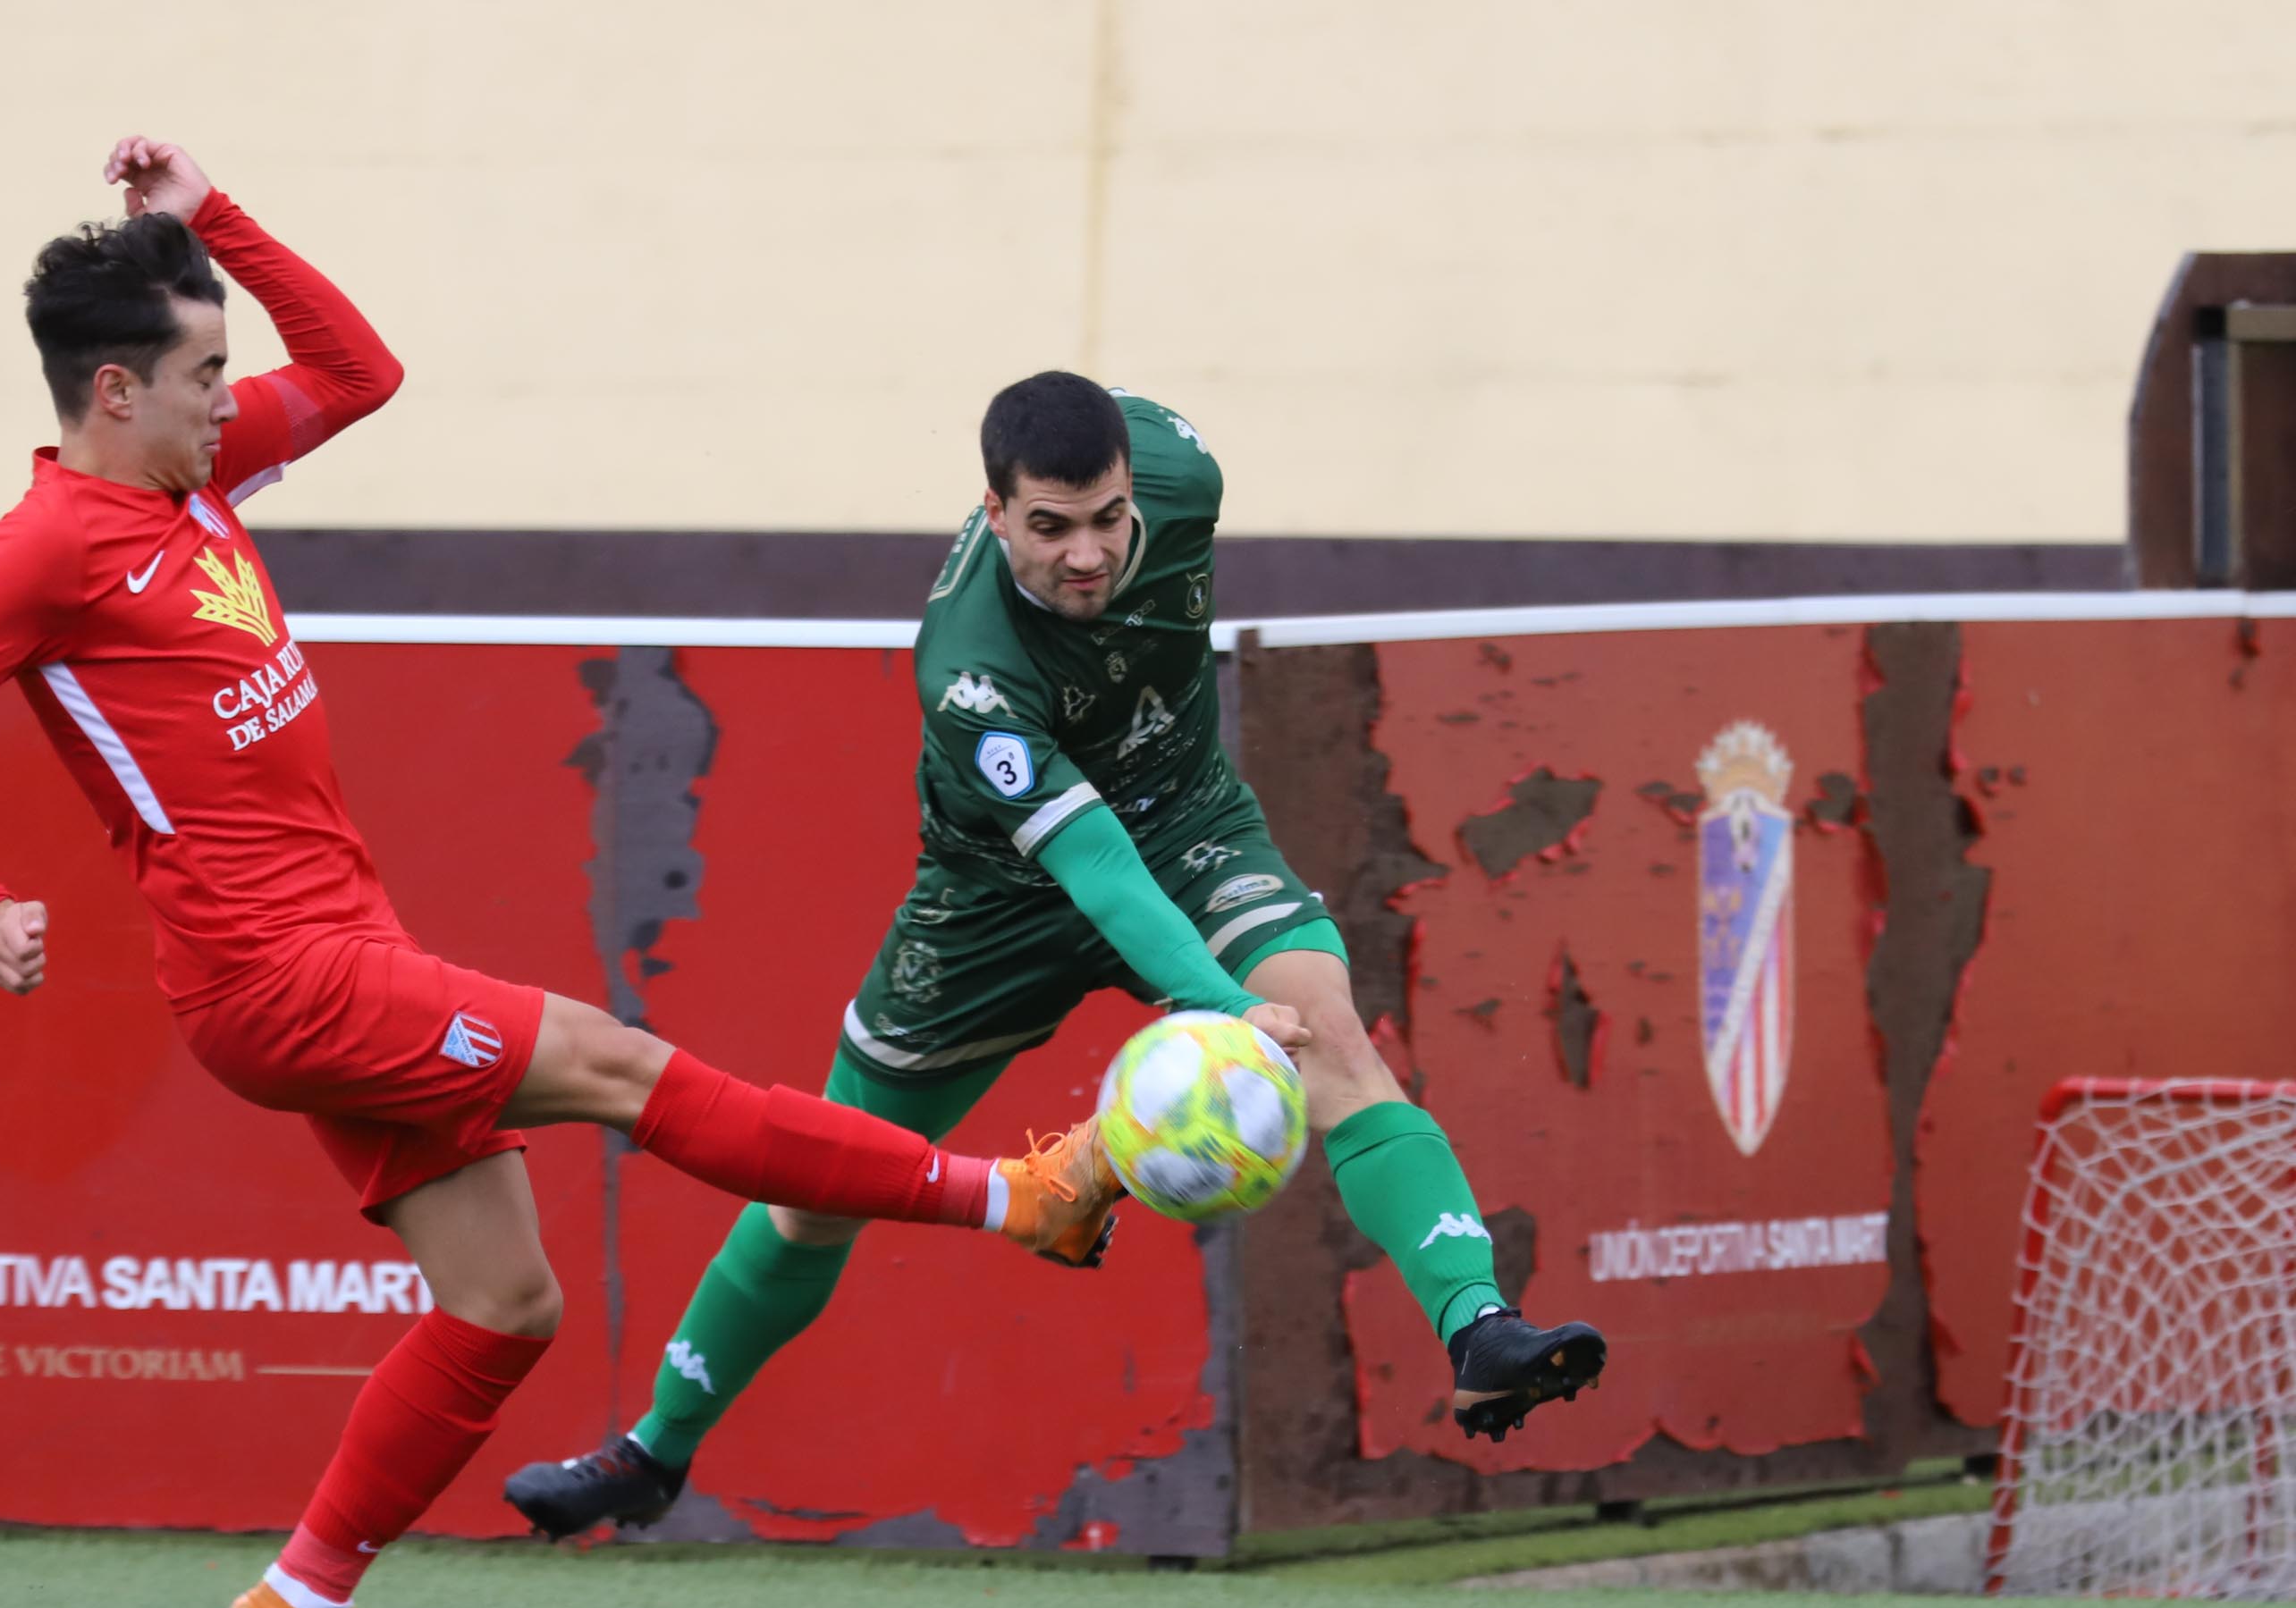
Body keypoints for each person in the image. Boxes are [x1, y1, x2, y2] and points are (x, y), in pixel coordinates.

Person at [0, 141, 1117, 1608]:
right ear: (114, 392)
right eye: (204, 372)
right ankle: (1020, 1196)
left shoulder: (202, 476)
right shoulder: (40, 549)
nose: (234, 397)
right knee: (620, 1063)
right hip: (273, 980)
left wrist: (210, 217)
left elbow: (364, 370)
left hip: (340, 941)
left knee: (506, 1301)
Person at [506, 374, 1608, 1540]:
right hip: (999, 902)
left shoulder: (1186, 475)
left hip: (1191, 829)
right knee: (817, 1188)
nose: (1086, 555)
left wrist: (1246, 1006)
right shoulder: (969, 669)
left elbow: (1146, 860)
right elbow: (1094, 874)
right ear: (993, 513)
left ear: (1137, 489)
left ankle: (1479, 1330)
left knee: (1333, 1038)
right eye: (1049, 528)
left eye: (1106, 520)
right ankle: (652, 1453)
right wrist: (1223, 1006)